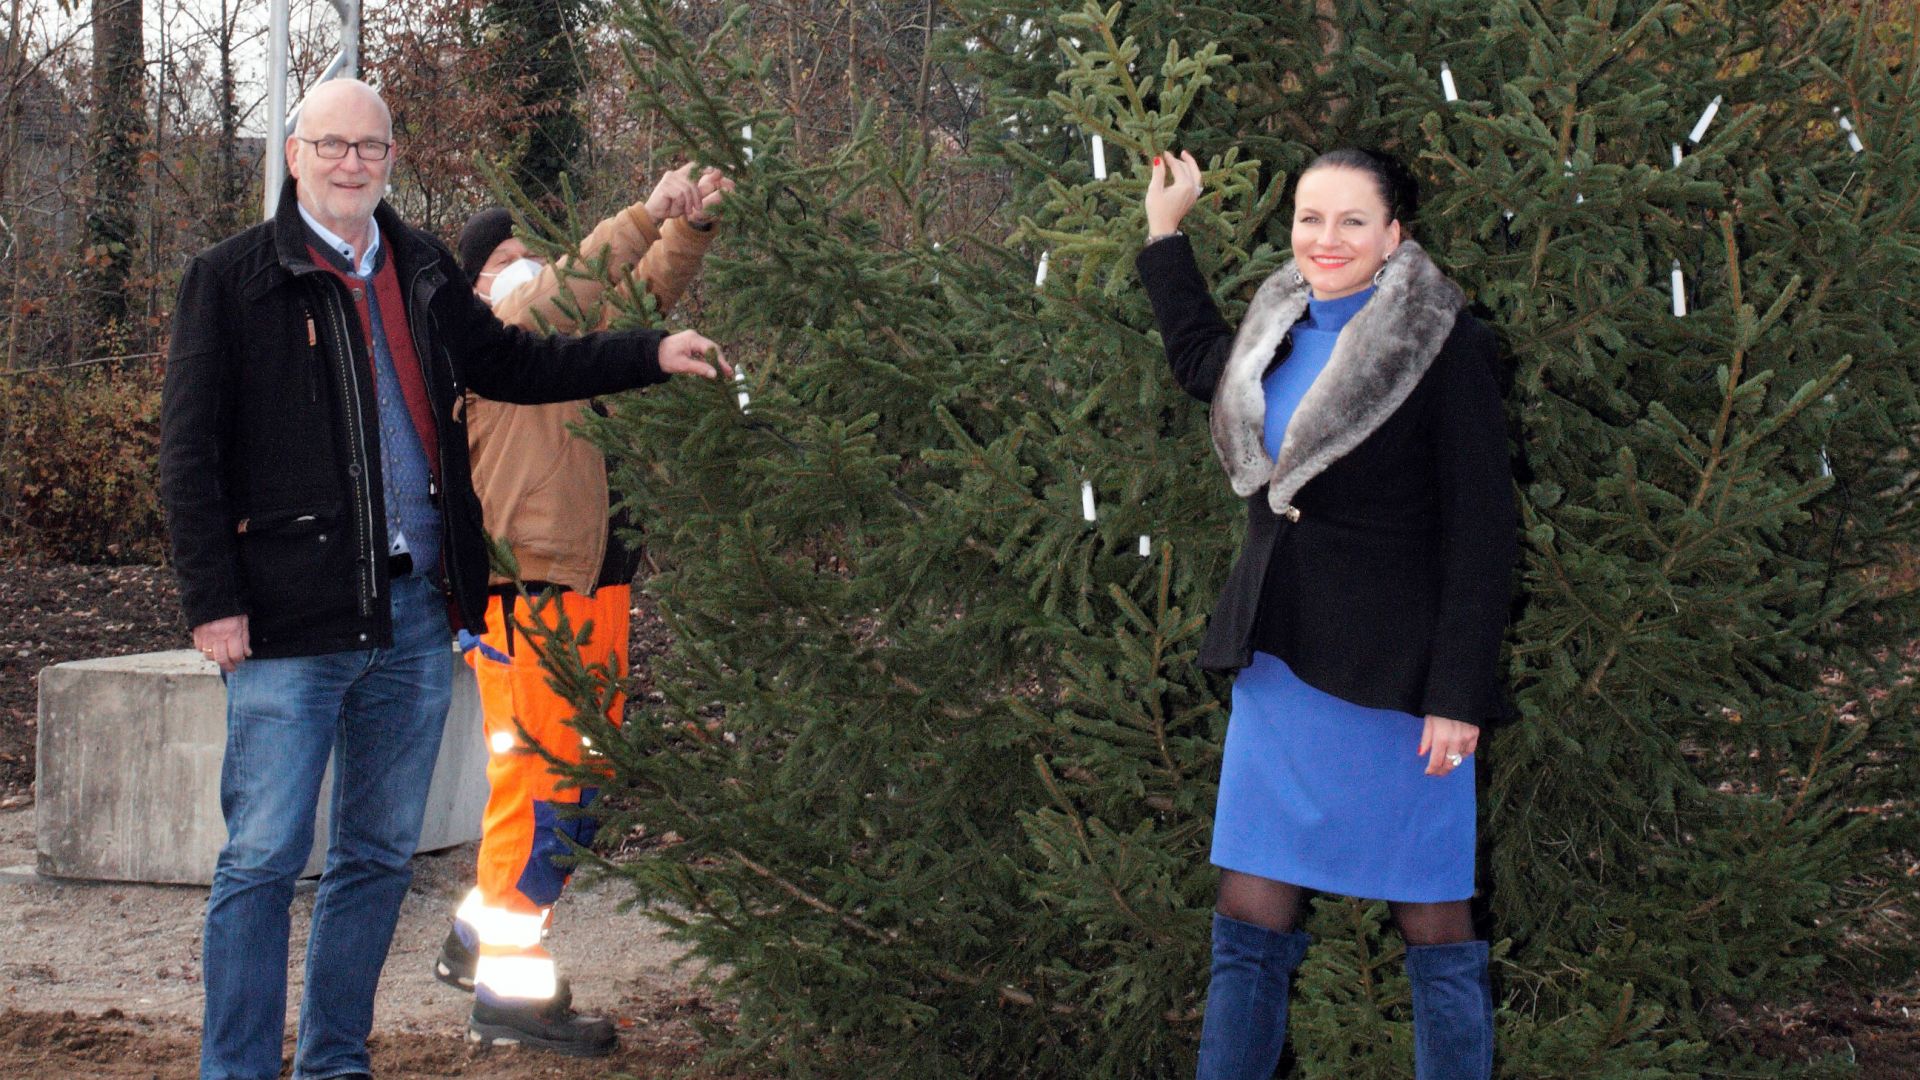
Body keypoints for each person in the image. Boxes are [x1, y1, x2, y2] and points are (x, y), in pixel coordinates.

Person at [157, 77, 731, 1080]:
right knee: (260, 863)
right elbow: (189, 453)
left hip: (417, 614)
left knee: (378, 860)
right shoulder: (231, 276)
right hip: (291, 619)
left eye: (369, 147)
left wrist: (649, 352)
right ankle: (237, 1069)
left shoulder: (419, 266)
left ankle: (335, 1061)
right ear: (294, 154)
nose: (350, 162)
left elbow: (514, 363)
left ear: (389, 159)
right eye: (330, 144)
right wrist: (213, 602)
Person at [1136, 147, 1517, 1080]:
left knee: (1435, 924)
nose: (1327, 239)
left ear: (1395, 235)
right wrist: (1164, 236)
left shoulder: (1446, 345)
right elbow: (1199, 362)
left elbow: (1482, 532)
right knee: (1246, 918)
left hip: (1401, 682)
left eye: (1353, 220)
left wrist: (1458, 691)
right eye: (1311, 218)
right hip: (1280, 666)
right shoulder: (1280, 329)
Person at [428, 161, 733, 1056]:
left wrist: (689, 226)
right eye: (507, 261)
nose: (527, 270)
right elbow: (563, 297)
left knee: (580, 778)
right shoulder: (488, 335)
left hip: (593, 582)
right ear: (478, 283)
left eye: (533, 256)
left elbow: (634, 299)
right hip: (529, 594)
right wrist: (641, 210)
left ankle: (479, 939)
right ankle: (509, 992)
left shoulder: (557, 328)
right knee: (544, 790)